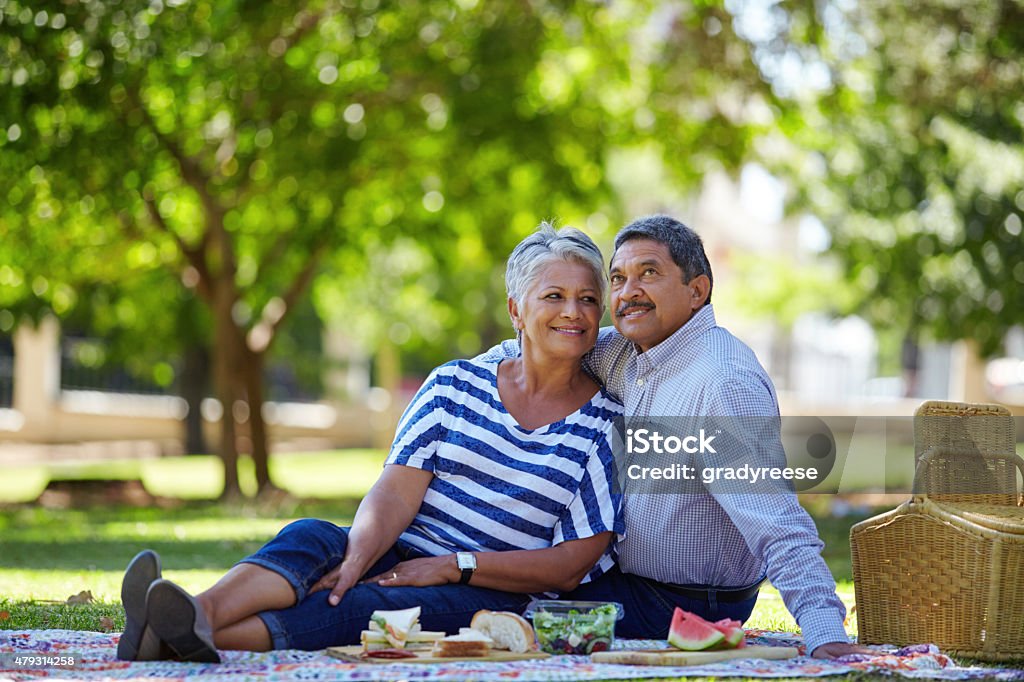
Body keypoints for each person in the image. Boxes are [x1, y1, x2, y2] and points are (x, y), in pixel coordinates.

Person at [117, 223, 624, 661]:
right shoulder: (455, 385)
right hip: (402, 550)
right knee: (316, 539)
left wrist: (454, 567)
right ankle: (196, 612)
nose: (573, 313)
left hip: (491, 592)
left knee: (366, 609)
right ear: (517, 310)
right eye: (553, 296)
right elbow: (396, 492)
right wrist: (359, 552)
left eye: (587, 300)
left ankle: (165, 636)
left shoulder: (606, 426)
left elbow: (570, 564)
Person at [490, 214, 871, 659]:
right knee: (496, 584)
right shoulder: (626, 353)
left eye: (648, 273)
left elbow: (777, 521)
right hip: (626, 581)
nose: (628, 291)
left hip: (685, 600)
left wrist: (826, 635)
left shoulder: (722, 382)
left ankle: (390, 598)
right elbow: (536, 342)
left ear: (697, 290)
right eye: (618, 278)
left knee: (498, 606)